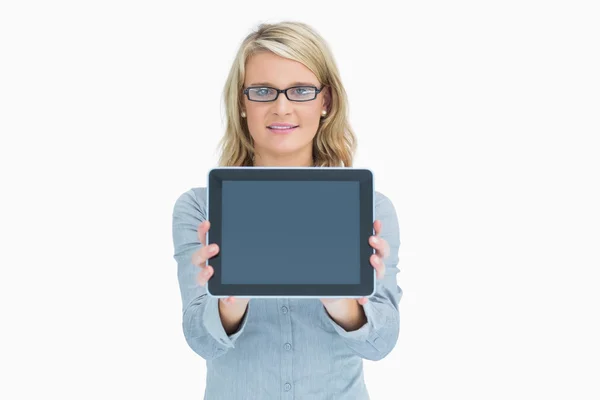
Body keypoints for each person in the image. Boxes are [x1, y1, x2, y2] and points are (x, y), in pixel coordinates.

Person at [172, 21, 402, 400]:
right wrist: (231, 300)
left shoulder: (371, 207)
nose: (281, 107)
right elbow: (202, 343)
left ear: (325, 101)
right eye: (262, 91)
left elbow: (380, 345)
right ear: (242, 103)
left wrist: (341, 299)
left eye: (300, 91)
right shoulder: (200, 208)